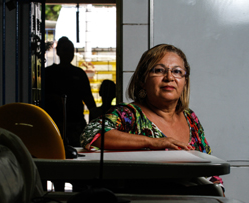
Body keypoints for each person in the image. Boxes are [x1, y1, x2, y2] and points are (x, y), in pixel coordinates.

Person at [80, 44, 224, 191]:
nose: (169, 78)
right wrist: (153, 142)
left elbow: (209, 166)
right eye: (159, 70)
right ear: (143, 80)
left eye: (177, 71)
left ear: (184, 81)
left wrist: (219, 191)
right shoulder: (130, 114)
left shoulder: (190, 118)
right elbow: (91, 134)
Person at [44, 37, 96, 147]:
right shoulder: (48, 73)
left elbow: (88, 99)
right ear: (58, 51)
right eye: (65, 50)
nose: (68, 53)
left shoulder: (79, 73)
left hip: (75, 124)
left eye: (71, 50)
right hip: (54, 123)